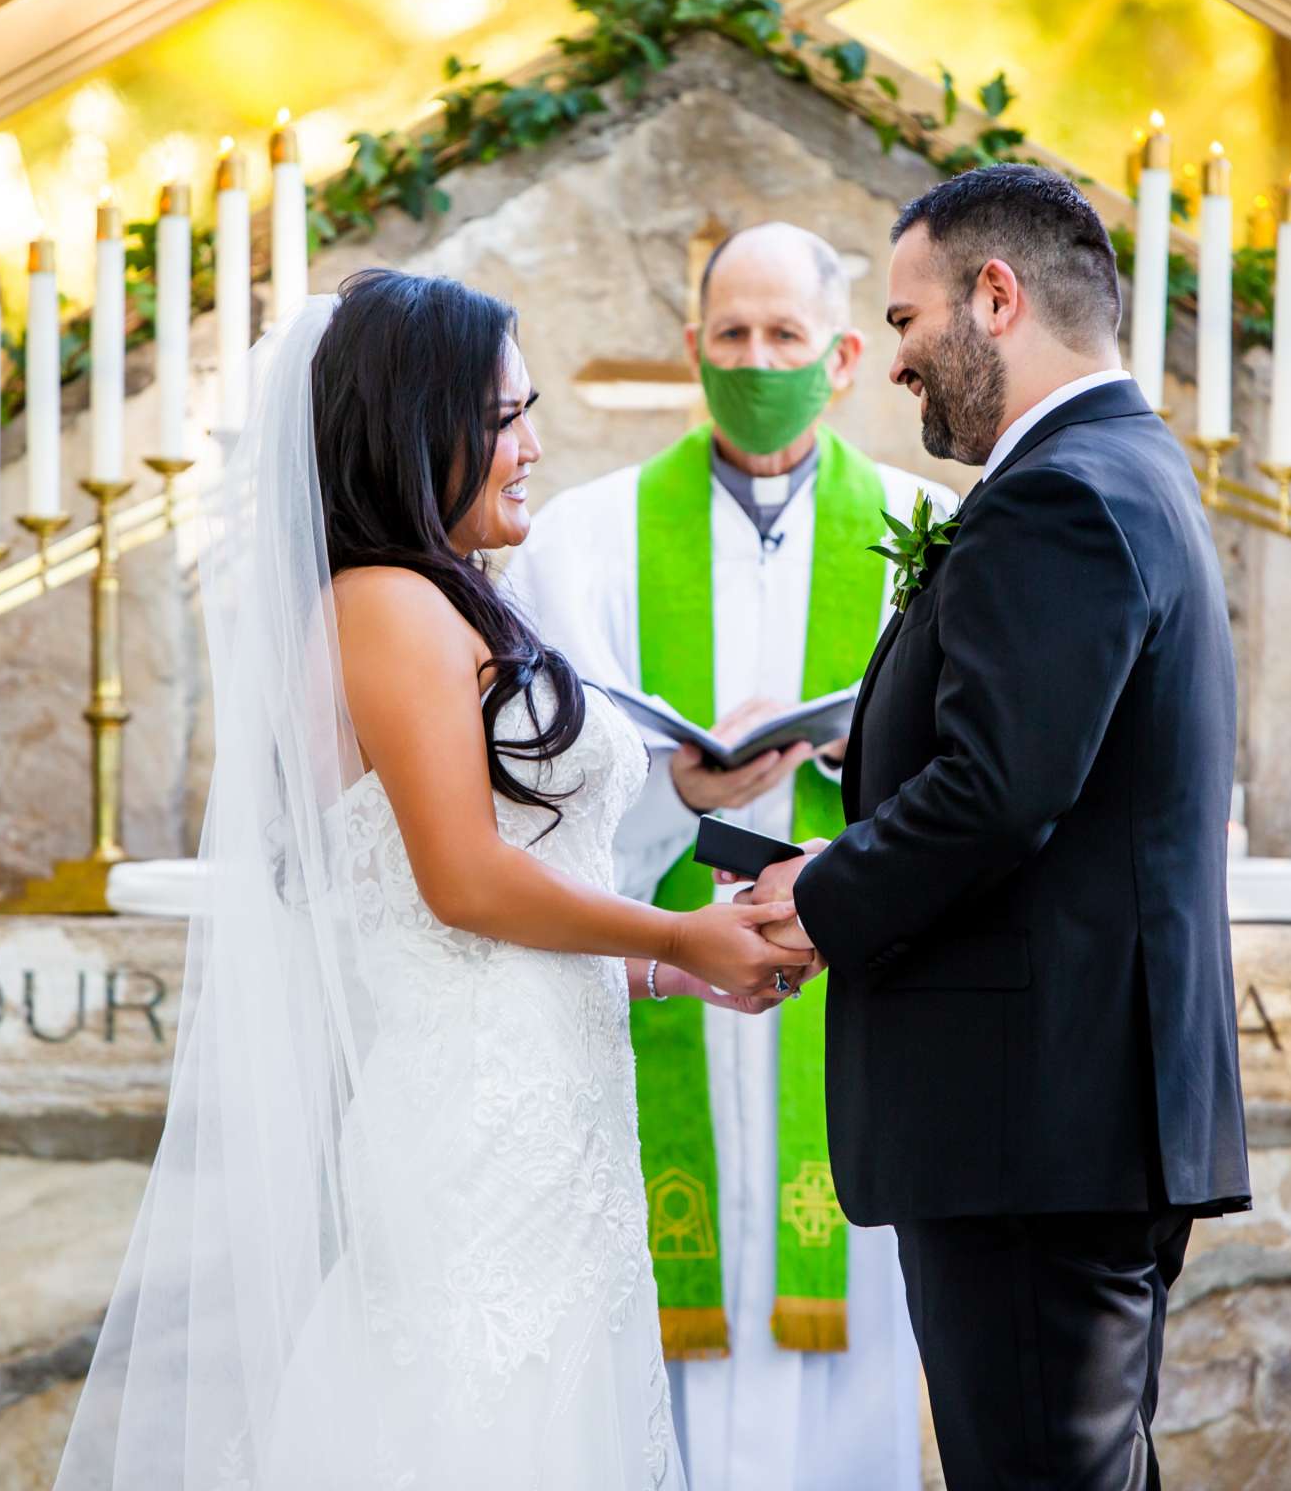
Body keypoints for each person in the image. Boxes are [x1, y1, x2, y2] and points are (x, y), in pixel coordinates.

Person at [53, 270, 804, 1491]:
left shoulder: (454, 597)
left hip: (547, 1103)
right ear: (419, 427)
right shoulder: (386, 607)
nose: (535, 445)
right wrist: (676, 925)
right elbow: (461, 881)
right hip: (470, 1125)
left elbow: (468, 888)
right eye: (508, 416)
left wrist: (660, 966)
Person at [732, 166, 1252, 1490]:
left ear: (997, 297)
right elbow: (1054, 752)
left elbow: (1005, 789)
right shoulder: (1125, 468)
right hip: (1071, 1112)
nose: (896, 363)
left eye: (905, 322)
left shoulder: (1058, 494)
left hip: (1034, 1114)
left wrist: (820, 894)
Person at [505, 222, 951, 1491]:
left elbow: (973, 780)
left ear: (846, 355)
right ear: (695, 348)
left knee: (852, 1343)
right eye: (733, 335)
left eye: (786, 336)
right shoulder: (582, 539)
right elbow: (545, 791)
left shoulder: (930, 532)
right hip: (669, 983)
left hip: (846, 990)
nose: (757, 359)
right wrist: (677, 787)